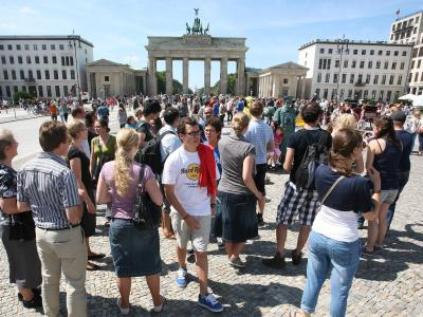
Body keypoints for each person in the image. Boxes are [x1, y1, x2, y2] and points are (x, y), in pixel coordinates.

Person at [297, 129, 380, 317]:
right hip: (344, 240)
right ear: (352, 152)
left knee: (313, 280)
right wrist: (377, 188)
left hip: (318, 233)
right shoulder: (358, 184)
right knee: (339, 292)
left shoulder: (320, 170)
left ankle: (304, 314)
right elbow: (371, 216)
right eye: (360, 148)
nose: (362, 151)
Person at [17, 121, 87, 317]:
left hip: (41, 232)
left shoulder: (24, 169)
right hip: (65, 233)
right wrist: (80, 205)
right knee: (74, 283)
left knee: (49, 279)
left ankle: (51, 314)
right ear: (61, 145)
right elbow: (73, 217)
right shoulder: (64, 173)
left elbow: (22, 206)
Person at [96, 128, 164, 314]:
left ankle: (124, 305)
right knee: (151, 265)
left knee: (123, 268)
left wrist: (115, 195)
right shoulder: (144, 170)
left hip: (118, 223)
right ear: (136, 146)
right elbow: (159, 200)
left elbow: (100, 199)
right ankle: (157, 303)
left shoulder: (107, 168)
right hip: (143, 223)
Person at [162, 117, 223, 313]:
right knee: (181, 245)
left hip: (203, 210)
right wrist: (185, 215)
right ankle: (182, 268)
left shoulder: (207, 153)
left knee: (201, 252)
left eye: (199, 132)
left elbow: (214, 181)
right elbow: (169, 192)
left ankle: (204, 294)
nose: (197, 136)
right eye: (192, 133)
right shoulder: (174, 159)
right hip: (181, 213)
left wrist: (213, 203)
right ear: (181, 136)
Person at [263, 102, 331, 268]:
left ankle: (279, 254)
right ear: (319, 117)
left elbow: (286, 165)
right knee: (307, 221)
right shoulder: (327, 136)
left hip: (296, 185)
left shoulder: (296, 136)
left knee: (283, 218)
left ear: (301, 117)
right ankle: (297, 252)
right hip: (316, 186)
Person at [0, 129, 42, 309]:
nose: (18, 143)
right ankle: (28, 297)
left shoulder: (5, 170)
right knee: (23, 262)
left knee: (26, 260)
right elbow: (8, 207)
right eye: (15, 141)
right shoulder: (5, 174)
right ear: (8, 148)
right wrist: (35, 204)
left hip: (15, 226)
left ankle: (28, 289)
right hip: (15, 226)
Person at [218, 113, 265, 268]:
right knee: (243, 229)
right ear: (246, 127)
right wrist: (257, 193)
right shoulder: (248, 148)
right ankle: (234, 256)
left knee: (228, 226)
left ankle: (230, 255)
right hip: (242, 193)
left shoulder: (222, 142)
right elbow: (246, 177)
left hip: (224, 190)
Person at [67, 120, 104, 271]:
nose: (87, 130)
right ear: (77, 132)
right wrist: (87, 199)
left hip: (87, 189)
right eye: (83, 128)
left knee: (87, 225)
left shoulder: (78, 147)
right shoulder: (74, 152)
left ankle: (87, 252)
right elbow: (77, 178)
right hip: (82, 192)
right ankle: (83, 259)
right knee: (82, 226)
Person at [365, 116, 402, 253]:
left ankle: (369, 246)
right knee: (383, 216)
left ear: (380, 128)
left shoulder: (375, 143)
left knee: (373, 217)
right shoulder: (399, 143)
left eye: (374, 127)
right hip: (394, 185)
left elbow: (368, 167)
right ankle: (380, 243)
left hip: (380, 186)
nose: (373, 129)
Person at [244, 100, 274, 226]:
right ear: (262, 111)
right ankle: (260, 215)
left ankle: (247, 214)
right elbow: (271, 148)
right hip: (261, 161)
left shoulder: (246, 127)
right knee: (261, 190)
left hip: (247, 161)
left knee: (246, 189)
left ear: (249, 111)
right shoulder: (267, 128)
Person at [386, 111, 413, 230]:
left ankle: (361, 220)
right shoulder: (409, 136)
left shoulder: (389, 136)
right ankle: (385, 227)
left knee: (374, 195)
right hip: (404, 170)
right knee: (392, 201)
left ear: (391, 121)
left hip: (391, 170)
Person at [159, 107, 181, 239]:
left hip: (161, 171)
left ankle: (165, 226)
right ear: (176, 119)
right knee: (168, 201)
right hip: (168, 174)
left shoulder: (162, 130)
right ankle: (167, 229)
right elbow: (176, 159)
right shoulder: (172, 138)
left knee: (165, 201)